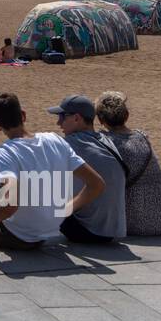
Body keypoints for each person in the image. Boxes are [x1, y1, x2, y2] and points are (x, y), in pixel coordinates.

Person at [0, 92, 105, 251]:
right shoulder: (55, 140)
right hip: (51, 228)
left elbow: (10, 205)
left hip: (19, 236)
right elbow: (96, 184)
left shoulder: (7, 152)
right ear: (23, 115)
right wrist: (64, 210)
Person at [94, 91, 161, 235]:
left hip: (131, 222)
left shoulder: (106, 143)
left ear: (101, 120)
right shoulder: (143, 137)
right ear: (127, 116)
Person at [51, 95, 126, 243]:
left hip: (88, 230)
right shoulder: (107, 141)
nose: (58, 122)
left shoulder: (69, 144)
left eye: (62, 117)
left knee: (37, 180)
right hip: (114, 230)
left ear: (77, 118)